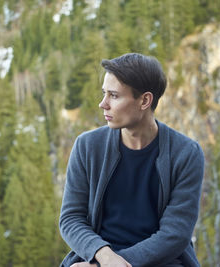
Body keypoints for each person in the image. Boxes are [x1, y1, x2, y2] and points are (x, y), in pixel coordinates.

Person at [59, 53, 204, 267]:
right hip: (96, 256)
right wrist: (104, 256)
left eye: (114, 96)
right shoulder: (87, 146)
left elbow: (175, 234)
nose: (103, 104)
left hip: (162, 262)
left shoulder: (186, 153)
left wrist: (112, 265)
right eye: (104, 94)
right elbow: (71, 219)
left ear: (145, 100)